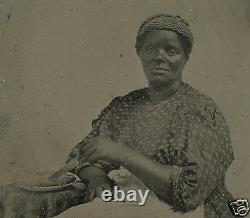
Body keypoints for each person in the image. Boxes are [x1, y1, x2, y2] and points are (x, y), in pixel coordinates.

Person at [64, 14, 235, 218]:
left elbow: (190, 193)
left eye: (171, 50)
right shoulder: (124, 106)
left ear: (185, 57)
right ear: (140, 53)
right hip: (129, 202)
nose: (159, 57)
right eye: (150, 49)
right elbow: (82, 155)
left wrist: (122, 154)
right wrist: (96, 177)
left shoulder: (199, 110)